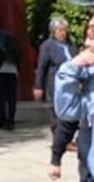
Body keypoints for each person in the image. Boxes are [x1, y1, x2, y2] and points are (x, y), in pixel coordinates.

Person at [49, 15, 94, 180]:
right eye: (88, 34)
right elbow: (68, 114)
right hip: (88, 139)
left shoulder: (70, 46)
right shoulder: (48, 46)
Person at [35, 17, 78, 127]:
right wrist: (38, 86)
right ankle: (60, 139)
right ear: (53, 32)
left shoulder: (71, 45)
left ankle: (65, 138)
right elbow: (41, 67)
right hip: (55, 84)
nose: (63, 33)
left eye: (64, 30)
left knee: (70, 112)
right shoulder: (47, 46)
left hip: (71, 84)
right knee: (56, 113)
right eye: (59, 30)